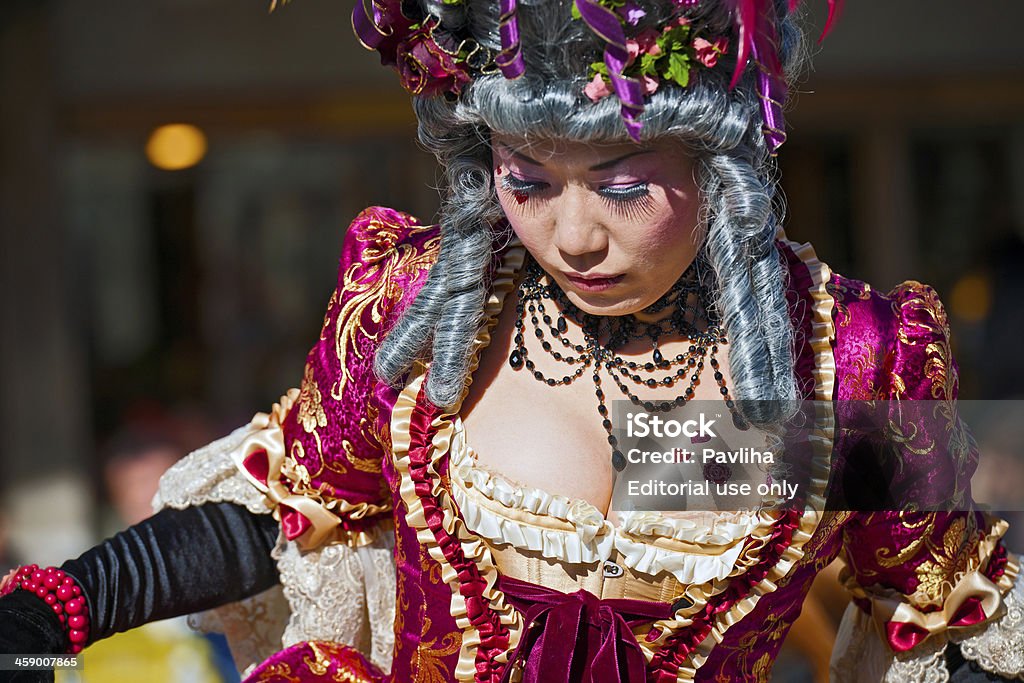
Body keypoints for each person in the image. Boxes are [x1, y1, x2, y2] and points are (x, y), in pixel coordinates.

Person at [1, 0, 1021, 681]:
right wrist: (54, 606)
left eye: (623, 184)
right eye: (525, 179)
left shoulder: (840, 359)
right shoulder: (421, 313)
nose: (573, 236)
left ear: (726, 163)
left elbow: (950, 608)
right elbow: (275, 512)